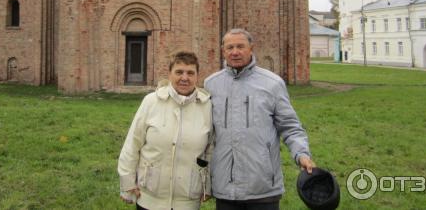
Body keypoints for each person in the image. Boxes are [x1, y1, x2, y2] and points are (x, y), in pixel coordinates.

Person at [204, 28, 315, 210]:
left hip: (263, 186)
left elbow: (290, 126)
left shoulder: (272, 83)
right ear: (223, 50)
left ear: (251, 48)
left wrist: (301, 154)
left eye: (240, 46)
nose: (235, 52)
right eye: (230, 47)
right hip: (225, 187)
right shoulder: (211, 84)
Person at [118, 51, 213, 210]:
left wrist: (207, 185)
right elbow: (132, 144)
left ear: (197, 76)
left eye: (190, 73)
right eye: (179, 72)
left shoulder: (207, 106)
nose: (184, 77)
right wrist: (127, 181)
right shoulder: (151, 102)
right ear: (169, 74)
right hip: (149, 198)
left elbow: (210, 150)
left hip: (187, 201)